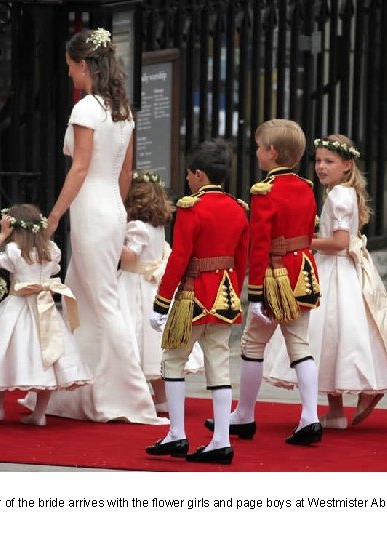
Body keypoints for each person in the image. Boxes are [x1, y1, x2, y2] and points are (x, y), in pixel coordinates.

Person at [21, 28, 166, 425]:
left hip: (90, 208)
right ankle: (76, 388)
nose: (69, 73)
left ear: (84, 65)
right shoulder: (121, 109)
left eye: (70, 66)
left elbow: (80, 167)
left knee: (100, 302)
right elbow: (125, 171)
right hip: (109, 208)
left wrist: (53, 217)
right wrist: (116, 211)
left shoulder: (86, 108)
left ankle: (133, 396)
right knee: (81, 300)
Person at [264, 135, 387, 427]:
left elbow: (339, 242)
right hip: (342, 268)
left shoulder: (338, 196)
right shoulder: (342, 192)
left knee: (327, 335)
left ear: (347, 165)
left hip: (334, 269)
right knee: (337, 337)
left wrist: (305, 241)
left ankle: (349, 401)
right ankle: (336, 410)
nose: (321, 167)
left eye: (329, 162)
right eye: (318, 161)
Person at [206, 119, 323, 445]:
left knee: (252, 345)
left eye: (259, 147)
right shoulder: (306, 187)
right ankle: (310, 416)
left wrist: (254, 293)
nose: (256, 152)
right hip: (303, 271)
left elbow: (259, 246)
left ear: (271, 153)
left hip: (276, 277)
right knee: (300, 345)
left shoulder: (265, 192)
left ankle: (244, 415)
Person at [145, 139, 249, 465]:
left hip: (193, 295)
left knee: (173, 361)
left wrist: (162, 302)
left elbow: (179, 259)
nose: (188, 180)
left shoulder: (192, 208)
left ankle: (177, 434)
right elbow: (241, 261)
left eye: (190, 174)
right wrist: (232, 290)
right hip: (225, 294)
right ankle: (220, 440)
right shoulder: (238, 209)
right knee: (219, 365)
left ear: (200, 174)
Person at [0, 204, 91, 426]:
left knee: (4, 353)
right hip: (44, 309)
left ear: (14, 227)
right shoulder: (51, 250)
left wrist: (1, 235)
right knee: (47, 358)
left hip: (16, 308)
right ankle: (39, 413)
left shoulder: (14, 251)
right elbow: (54, 271)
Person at [118, 169, 204, 414]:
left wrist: (110, 240)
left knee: (134, 336)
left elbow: (131, 255)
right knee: (153, 344)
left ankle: (135, 395)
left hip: (134, 283)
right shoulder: (156, 226)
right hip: (151, 286)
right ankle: (162, 398)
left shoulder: (136, 226)